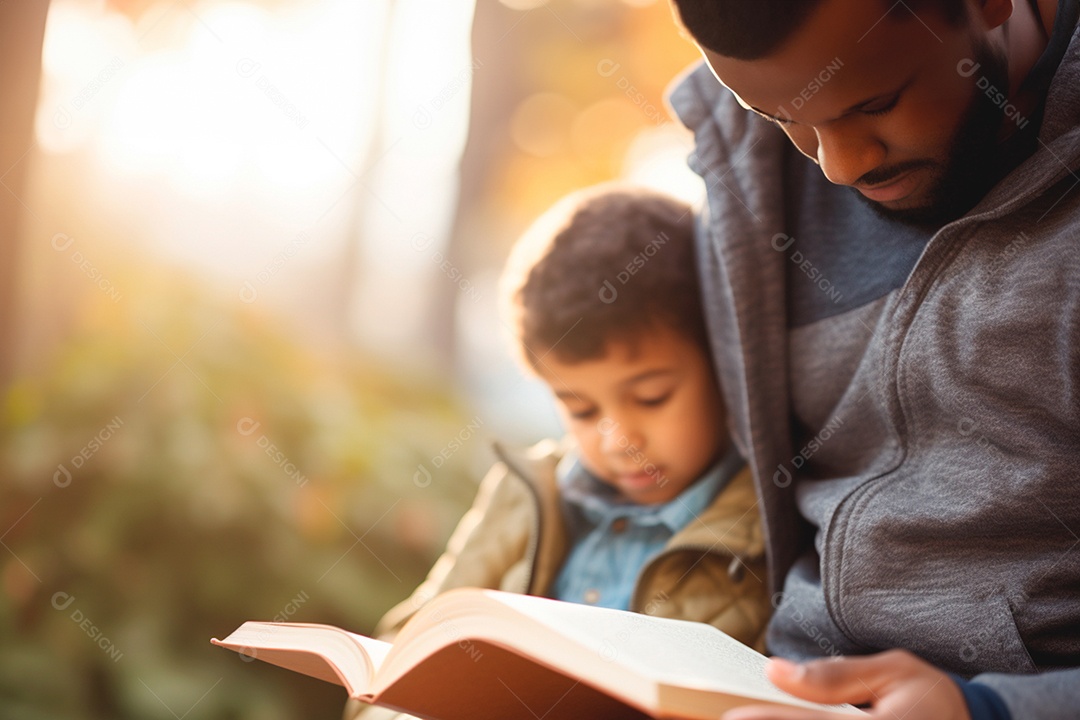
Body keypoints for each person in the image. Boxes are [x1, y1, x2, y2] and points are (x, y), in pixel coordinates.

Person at [664, 0, 1080, 718]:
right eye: (780, 116)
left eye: (876, 104)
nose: (838, 164)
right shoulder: (744, 174)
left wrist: (990, 710)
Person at [344, 184, 771, 720]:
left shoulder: (764, 526)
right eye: (581, 410)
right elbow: (408, 647)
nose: (618, 441)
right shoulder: (524, 495)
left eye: (650, 397)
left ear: (725, 367)